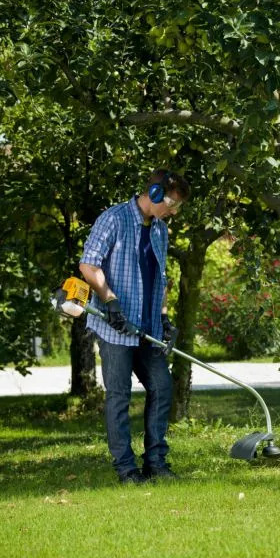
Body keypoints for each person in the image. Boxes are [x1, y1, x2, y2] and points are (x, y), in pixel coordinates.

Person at [78, 170, 191, 484]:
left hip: (147, 327)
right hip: (115, 327)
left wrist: (164, 318)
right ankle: (126, 470)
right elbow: (88, 264)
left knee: (162, 387)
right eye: (171, 204)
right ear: (154, 194)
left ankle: (156, 463)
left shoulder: (160, 230)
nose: (173, 212)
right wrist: (110, 300)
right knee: (119, 396)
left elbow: (160, 278)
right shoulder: (113, 219)